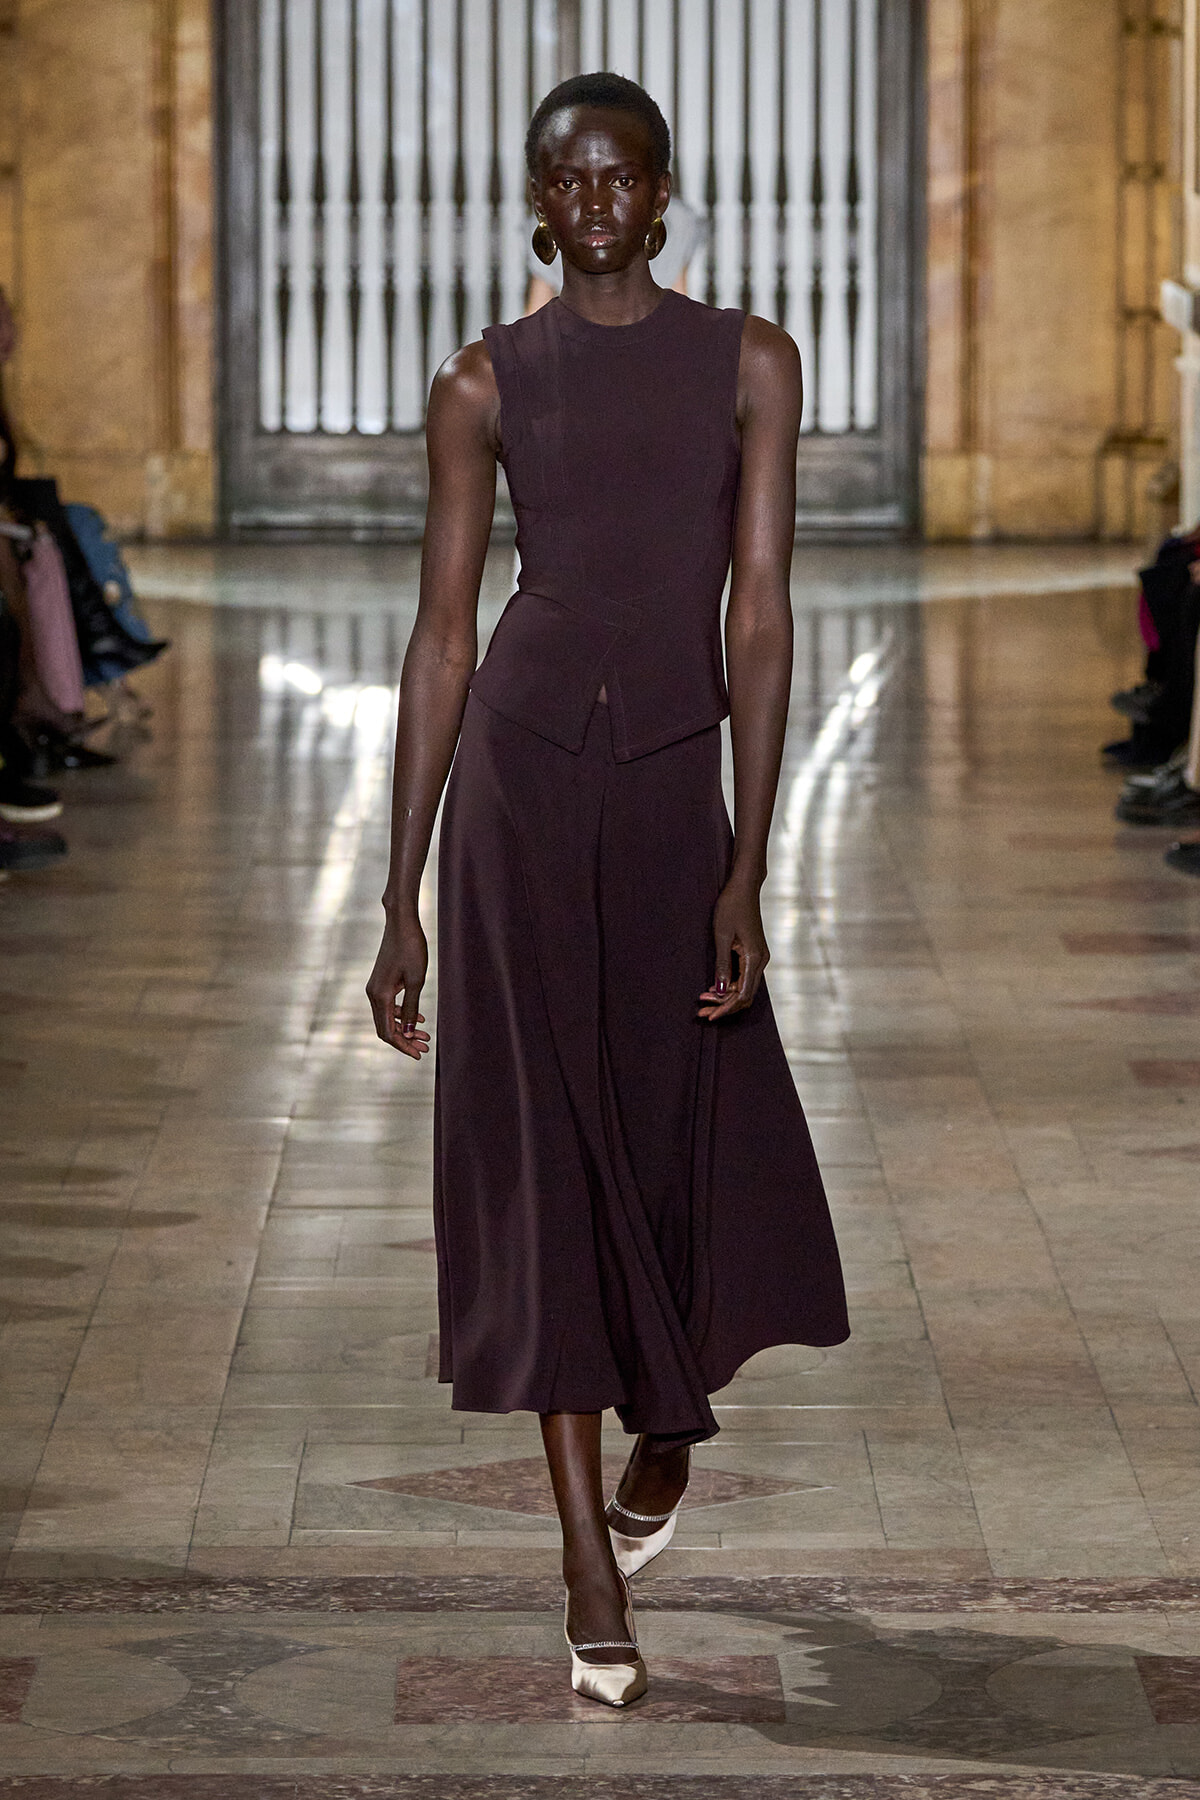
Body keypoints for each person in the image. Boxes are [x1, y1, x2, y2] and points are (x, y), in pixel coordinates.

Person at [367, 72, 849, 1709]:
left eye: (619, 173)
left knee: (679, 1136)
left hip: (667, 798)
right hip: (516, 787)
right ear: (533, 198)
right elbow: (443, 636)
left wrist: (750, 861)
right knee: (546, 1157)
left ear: (661, 196)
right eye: (564, 175)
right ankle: (585, 1564)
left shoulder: (752, 363)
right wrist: (397, 893)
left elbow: (764, 616)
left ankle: (667, 1434)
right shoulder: (482, 384)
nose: (592, 197)